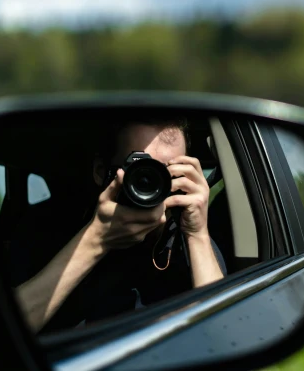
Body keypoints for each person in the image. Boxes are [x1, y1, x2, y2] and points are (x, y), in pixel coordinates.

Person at [11, 118, 226, 334]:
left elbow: (222, 332)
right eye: (138, 168)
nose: (151, 183)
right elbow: (4, 331)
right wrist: (95, 240)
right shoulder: (47, 231)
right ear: (100, 170)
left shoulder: (188, 241)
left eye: (166, 173)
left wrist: (197, 234)